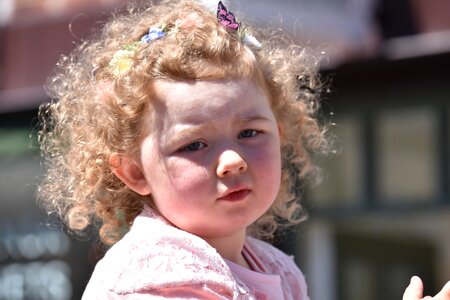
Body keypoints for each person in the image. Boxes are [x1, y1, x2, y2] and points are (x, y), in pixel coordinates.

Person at [37, 0, 450, 299]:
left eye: (250, 133)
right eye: (194, 144)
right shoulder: (157, 276)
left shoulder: (273, 267)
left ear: (281, 130)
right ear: (134, 172)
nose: (232, 160)